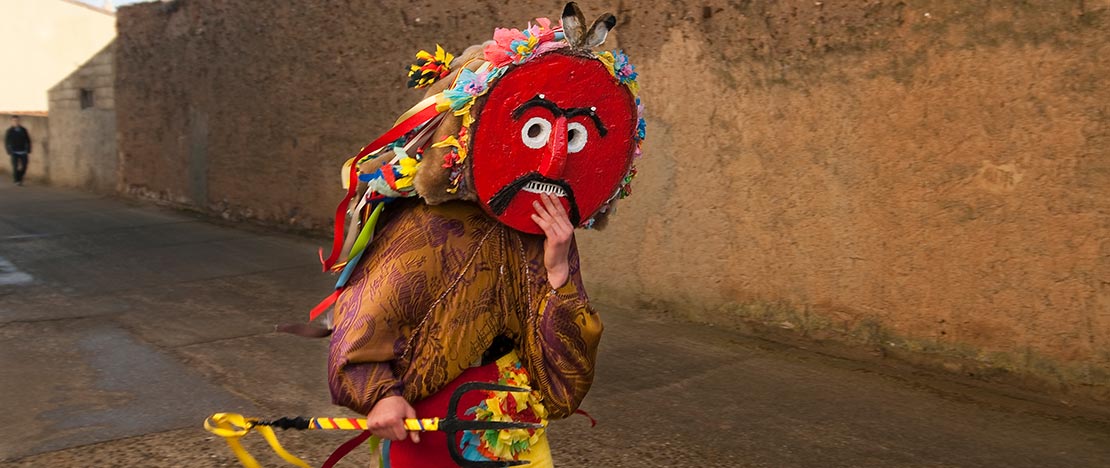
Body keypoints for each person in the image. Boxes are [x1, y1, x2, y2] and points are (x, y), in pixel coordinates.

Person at [322, 3, 646, 466]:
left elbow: (565, 376)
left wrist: (557, 273)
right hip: (428, 419)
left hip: (509, 417)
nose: (554, 159)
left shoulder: (544, 228)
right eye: (536, 130)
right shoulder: (429, 226)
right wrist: (378, 394)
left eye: (572, 139)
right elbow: (367, 314)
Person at [5, 115, 31, 186]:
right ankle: (17, 181)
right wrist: (9, 150)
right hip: (14, 152)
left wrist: (28, 149)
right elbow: (6, 141)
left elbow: (28, 140)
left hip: (23, 151)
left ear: (19, 121)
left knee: (24, 166)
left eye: (17, 120)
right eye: (14, 121)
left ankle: (19, 177)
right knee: (15, 166)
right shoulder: (9, 131)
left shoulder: (23, 130)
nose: (16, 122)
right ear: (12, 122)